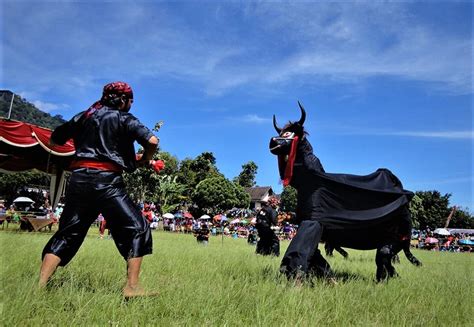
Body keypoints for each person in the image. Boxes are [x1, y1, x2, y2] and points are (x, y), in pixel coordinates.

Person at [38, 81, 159, 298]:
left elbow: (55, 140)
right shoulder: (124, 118)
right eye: (131, 101)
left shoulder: (83, 116)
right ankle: (131, 287)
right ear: (123, 100)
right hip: (106, 182)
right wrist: (148, 158)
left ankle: (39, 286)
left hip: (78, 179)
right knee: (138, 227)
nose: (131, 105)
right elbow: (152, 140)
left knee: (68, 233)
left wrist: (86, 146)